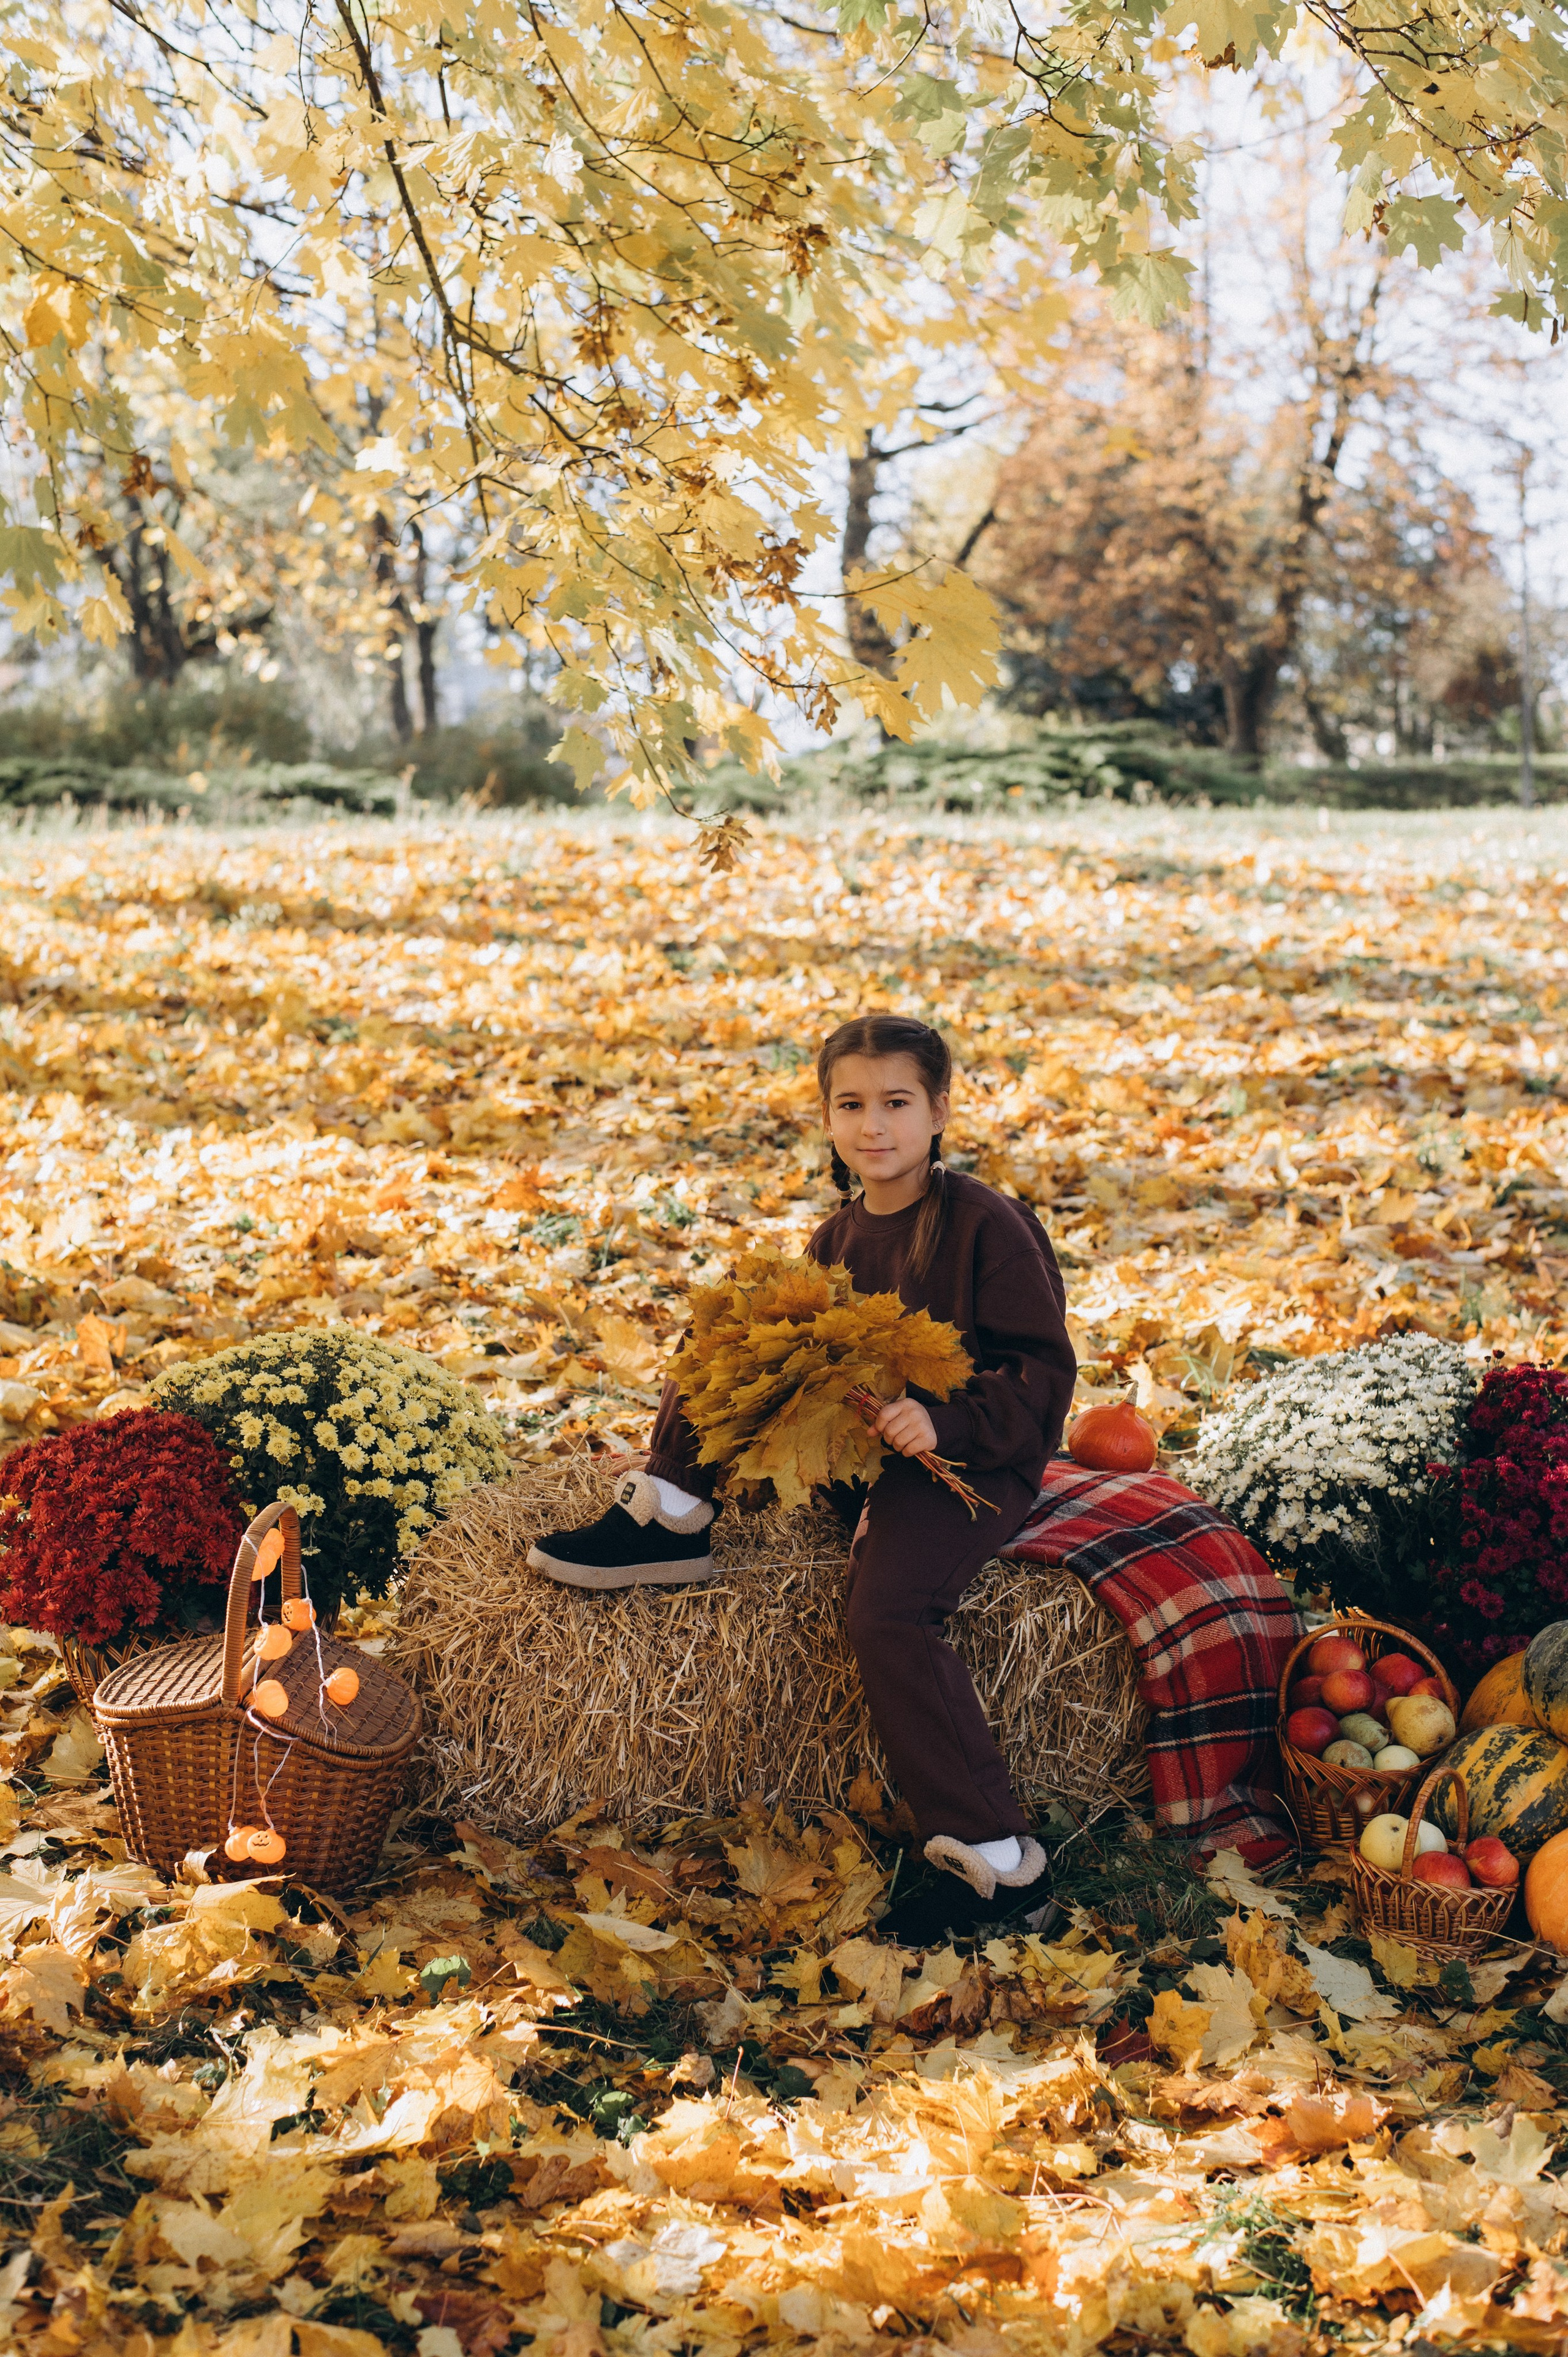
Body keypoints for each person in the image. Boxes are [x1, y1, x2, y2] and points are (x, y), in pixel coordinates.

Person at [529, 1014, 1077, 1935]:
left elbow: (1041, 1376)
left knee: (887, 1610)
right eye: (851, 1105)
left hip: (967, 1465)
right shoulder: (835, 1238)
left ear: (940, 1110)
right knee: (744, 1331)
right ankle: (671, 1512)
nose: (875, 1126)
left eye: (897, 1103)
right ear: (826, 1118)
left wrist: (942, 1422)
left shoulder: (987, 1226)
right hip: (851, 1452)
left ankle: (995, 1858)